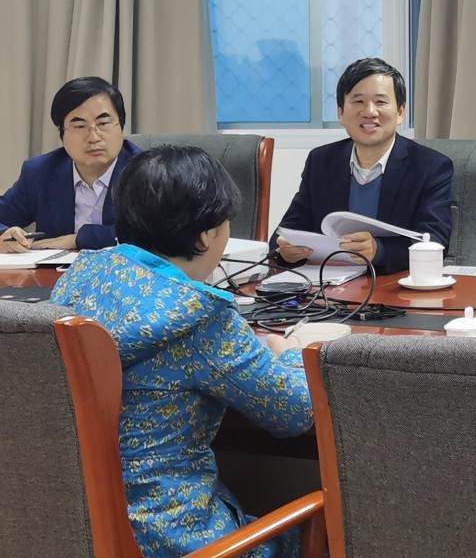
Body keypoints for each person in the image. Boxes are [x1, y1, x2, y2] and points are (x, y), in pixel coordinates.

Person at [51, 145, 311, 558]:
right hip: (178, 538)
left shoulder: (80, 277)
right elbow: (294, 412)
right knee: (317, 531)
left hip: (69, 527)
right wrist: (292, 351)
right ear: (206, 234)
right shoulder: (202, 317)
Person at [271, 57, 454, 275]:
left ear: (400, 112)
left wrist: (379, 250)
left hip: (393, 286)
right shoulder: (321, 161)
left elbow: (435, 241)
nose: (369, 112)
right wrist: (286, 252)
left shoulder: (430, 167)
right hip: (329, 286)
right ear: (341, 113)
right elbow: (285, 233)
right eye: (358, 101)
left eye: (380, 102)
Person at [0, 76, 139, 253]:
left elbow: (156, 234)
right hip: (55, 271)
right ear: (62, 134)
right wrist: (5, 235)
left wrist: (79, 239)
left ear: (121, 125)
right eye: (79, 126)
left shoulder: (147, 173)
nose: (94, 137)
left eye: (103, 123)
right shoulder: (40, 172)